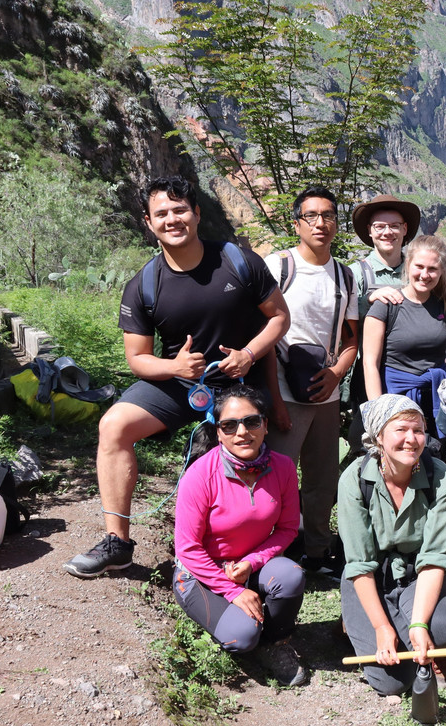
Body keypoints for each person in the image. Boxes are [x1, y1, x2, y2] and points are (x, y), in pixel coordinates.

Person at [63, 176, 290, 579]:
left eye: (180, 209)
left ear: (197, 214)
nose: (173, 219)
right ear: (149, 223)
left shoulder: (239, 261)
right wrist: (174, 368)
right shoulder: (144, 284)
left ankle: (250, 557)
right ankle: (117, 542)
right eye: (162, 213)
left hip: (238, 384)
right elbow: (137, 359)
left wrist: (249, 353)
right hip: (179, 384)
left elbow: (279, 318)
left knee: (239, 461)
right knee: (114, 425)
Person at [172, 386, 307, 685]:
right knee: (242, 637)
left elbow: (286, 529)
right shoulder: (200, 475)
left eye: (252, 421)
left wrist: (252, 562)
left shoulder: (283, 467)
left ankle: (276, 642)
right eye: (229, 425)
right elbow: (187, 548)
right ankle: (249, 631)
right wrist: (232, 591)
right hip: (199, 573)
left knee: (291, 575)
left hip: (249, 566)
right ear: (218, 433)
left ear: (266, 425)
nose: (242, 432)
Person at [338, 395, 446, 696]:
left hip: (416, 574)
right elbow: (359, 563)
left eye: (418, 430)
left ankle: (405, 627)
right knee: (392, 683)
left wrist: (420, 624)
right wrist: (383, 629)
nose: (412, 439)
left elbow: (434, 559)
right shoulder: (354, 479)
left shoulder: (442, 479)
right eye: (401, 430)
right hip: (371, 576)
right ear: (378, 436)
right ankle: (362, 622)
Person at [264, 186, 359, 575]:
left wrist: (337, 373)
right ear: (296, 222)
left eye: (329, 215)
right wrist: (274, 400)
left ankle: (316, 553)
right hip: (284, 390)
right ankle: (271, 555)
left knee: (322, 481)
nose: (321, 223)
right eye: (312, 216)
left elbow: (351, 338)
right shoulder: (278, 268)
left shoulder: (344, 275)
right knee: (277, 479)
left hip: (327, 393)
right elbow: (264, 336)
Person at [363, 235, 446, 459]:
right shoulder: (386, 306)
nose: (425, 275)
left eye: (432, 269)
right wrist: (378, 412)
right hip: (394, 399)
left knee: (434, 469)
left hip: (437, 404)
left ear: (441, 272)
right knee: (397, 468)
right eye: (419, 266)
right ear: (408, 264)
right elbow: (370, 363)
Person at [344, 194, 423, 455]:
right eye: (380, 226)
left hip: (413, 372)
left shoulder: (417, 271)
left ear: (405, 229)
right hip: (369, 373)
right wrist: (369, 300)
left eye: (393, 226)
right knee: (367, 442)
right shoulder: (356, 273)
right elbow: (340, 319)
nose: (387, 232)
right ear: (370, 231)